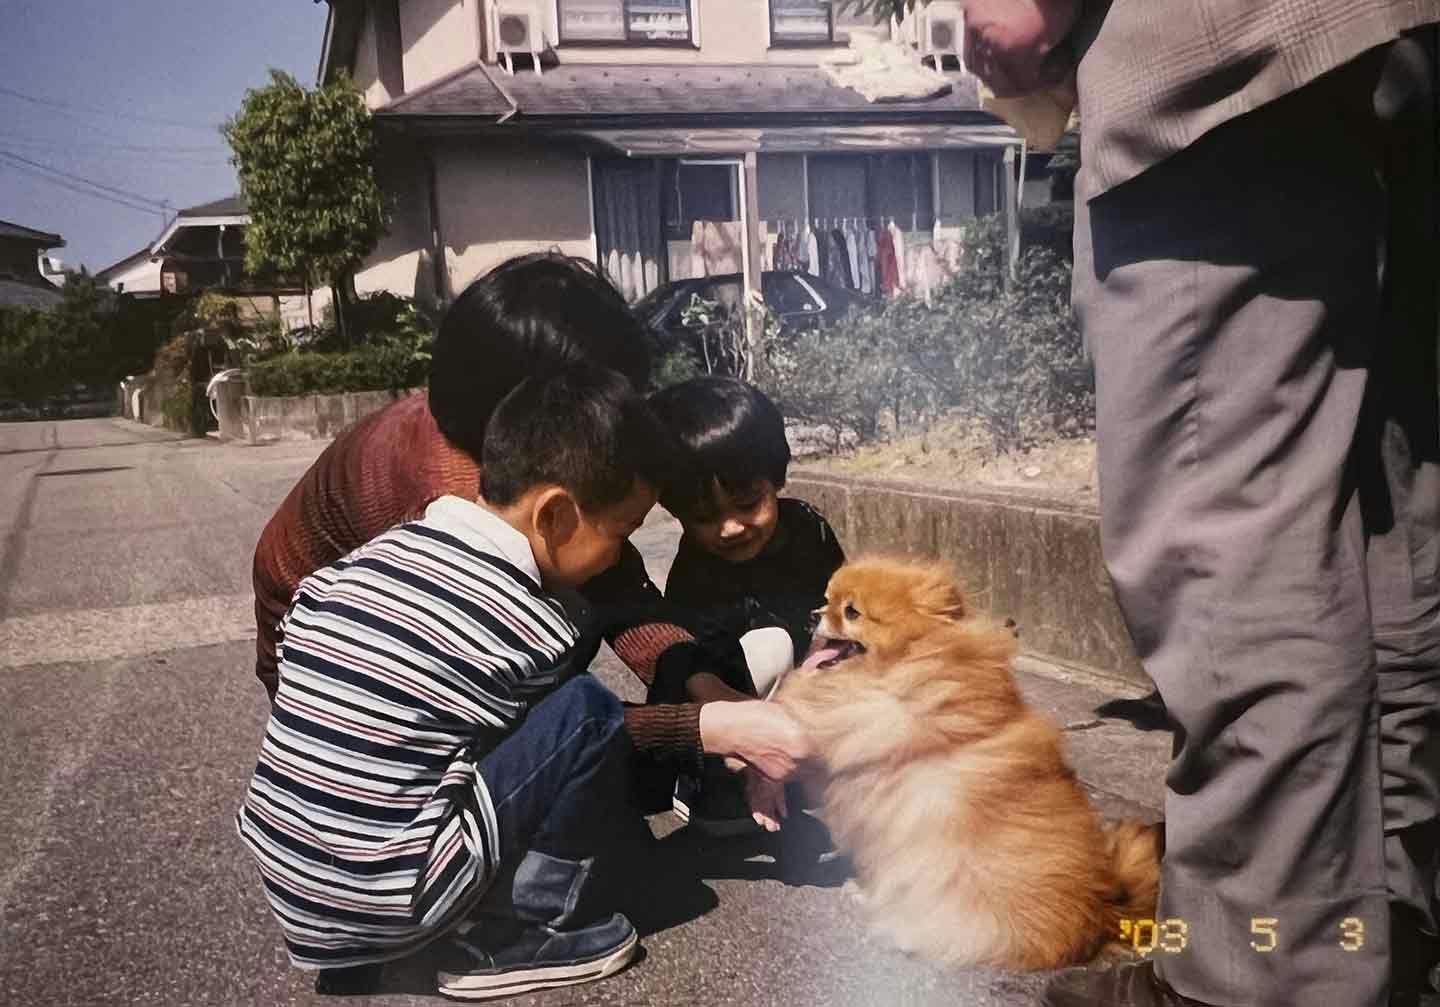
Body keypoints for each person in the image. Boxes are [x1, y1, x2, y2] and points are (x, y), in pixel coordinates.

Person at [958, 2, 1440, 1005]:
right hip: (1392, 41)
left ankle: (1252, 974)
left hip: (1230, 52)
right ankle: (1386, 925)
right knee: (1386, 510)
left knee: (1229, 540)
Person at [249, 254, 812, 837]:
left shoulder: (511, 459)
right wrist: (703, 728)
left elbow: (614, 576)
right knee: (548, 649)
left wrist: (701, 682)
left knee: (569, 606)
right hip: (331, 656)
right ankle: (499, 892)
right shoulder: (447, 514)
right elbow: (550, 719)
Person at [648, 377, 846, 833]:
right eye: (703, 517)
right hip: (731, 695)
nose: (731, 528)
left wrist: (821, 665)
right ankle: (718, 777)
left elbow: (839, 609)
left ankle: (809, 766)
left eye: (747, 503)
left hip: (805, 680)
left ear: (775, 477)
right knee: (766, 648)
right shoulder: (695, 570)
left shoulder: (808, 530)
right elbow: (690, 664)